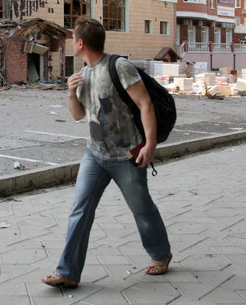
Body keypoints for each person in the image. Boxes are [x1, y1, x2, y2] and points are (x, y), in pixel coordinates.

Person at [42, 16, 172, 288]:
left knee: (141, 207)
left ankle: (161, 254)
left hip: (126, 156)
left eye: (73, 39)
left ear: (80, 43)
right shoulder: (83, 73)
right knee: (80, 210)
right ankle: (67, 272)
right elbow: (79, 116)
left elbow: (145, 104)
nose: (71, 43)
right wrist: (70, 93)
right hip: (94, 154)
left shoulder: (119, 66)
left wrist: (150, 145)